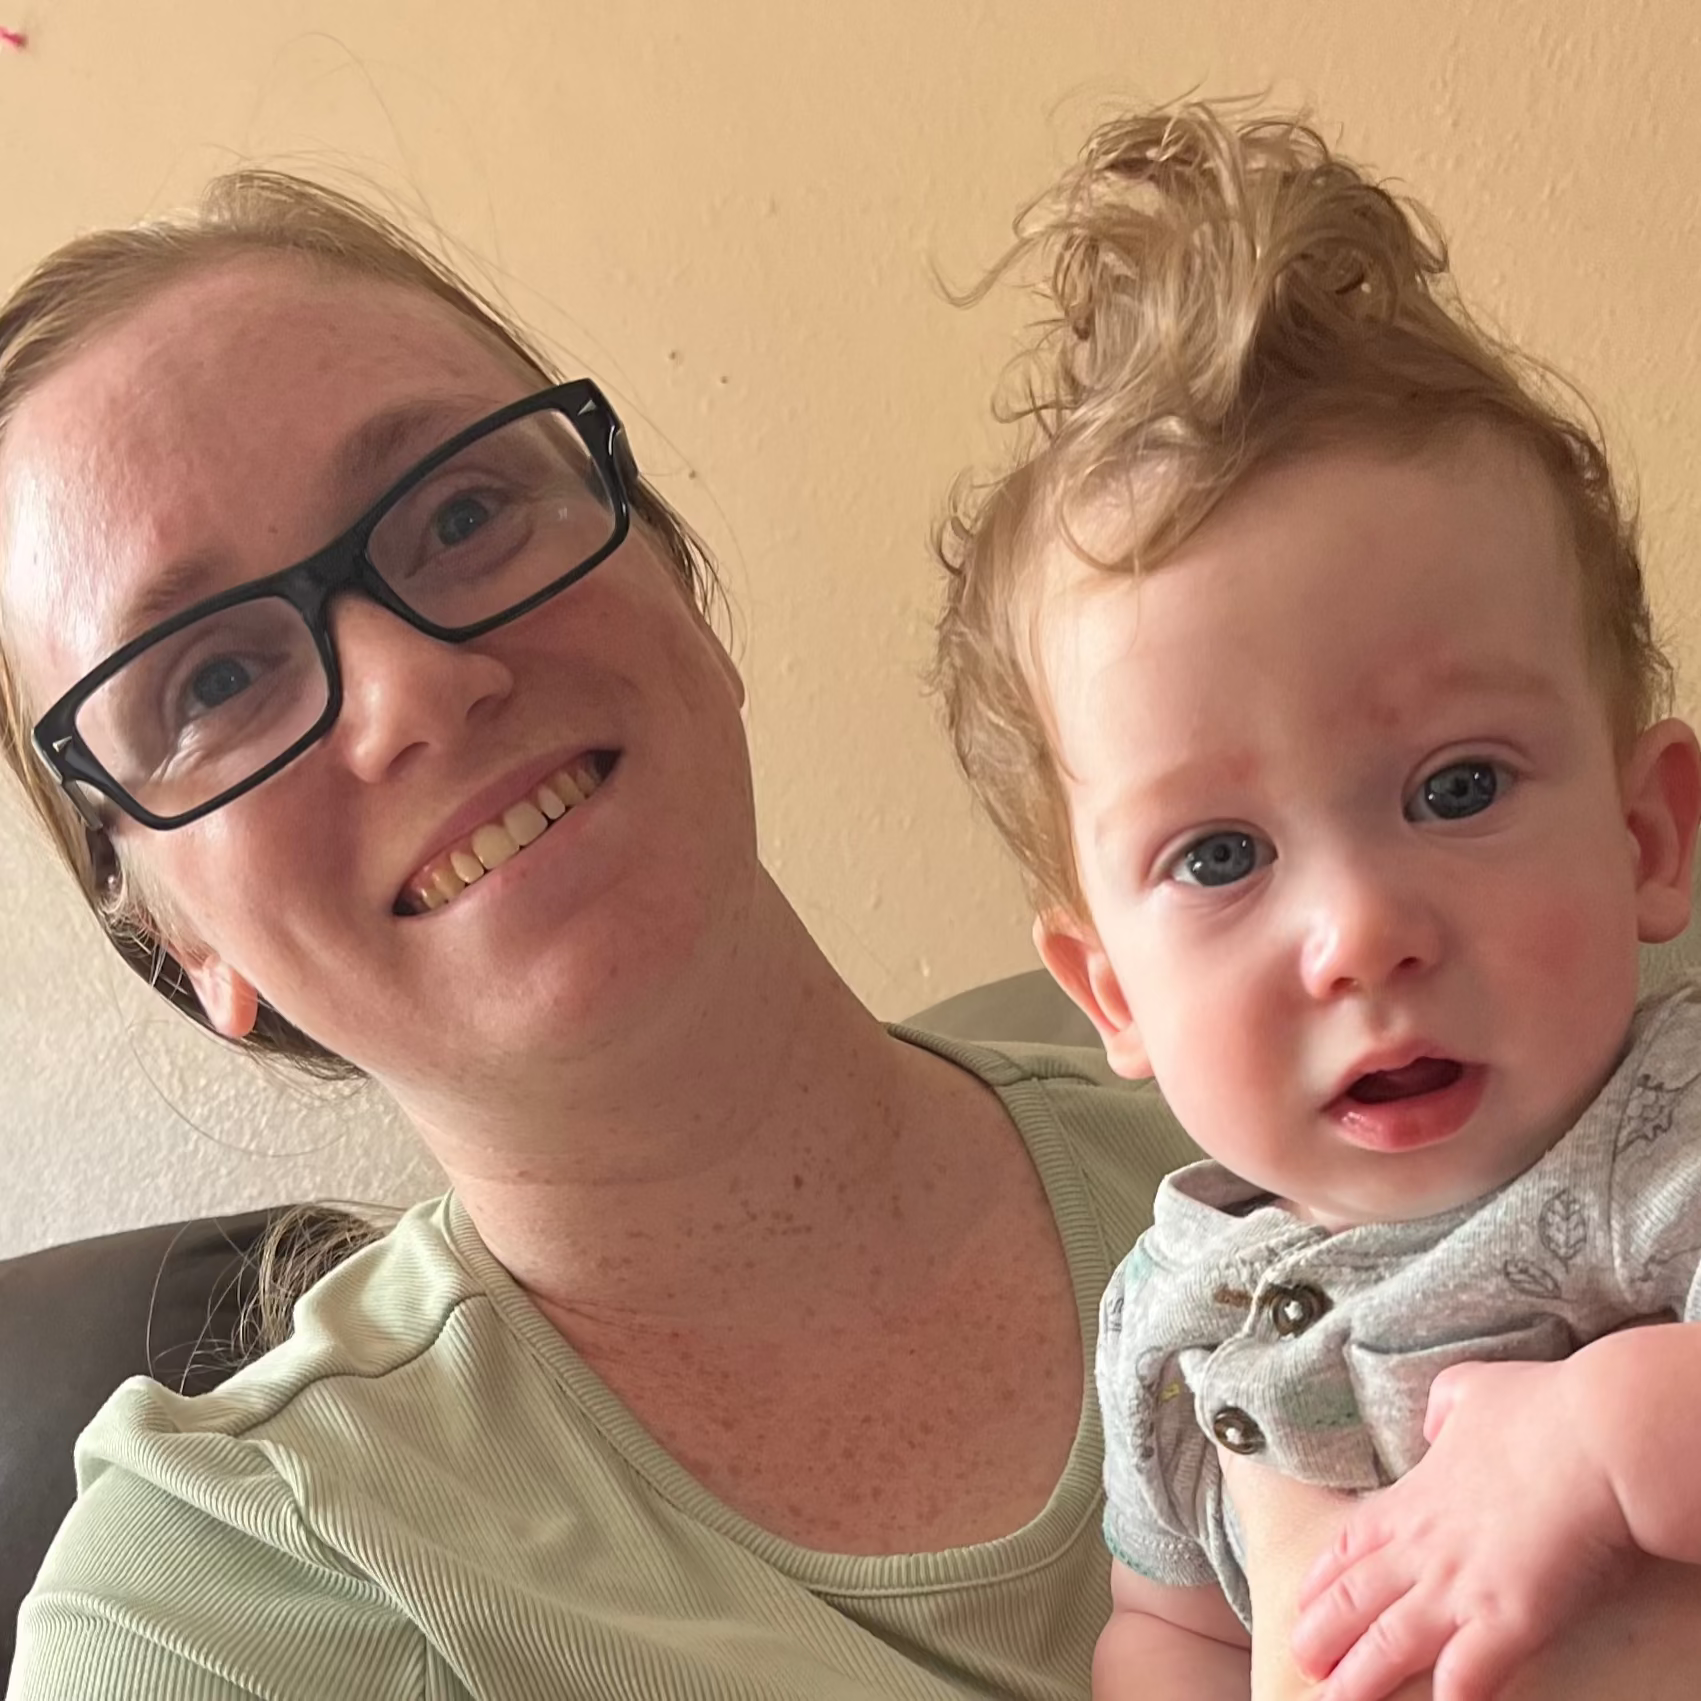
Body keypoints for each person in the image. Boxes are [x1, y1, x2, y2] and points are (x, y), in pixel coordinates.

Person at [0, 173, 1202, 1699]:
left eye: (460, 512)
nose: (415, 693)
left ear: (677, 583)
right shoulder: (214, 1618)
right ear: (186, 945)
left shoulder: (1425, 1100)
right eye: (211, 684)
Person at [933, 101, 1701, 1701]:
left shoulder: (1672, 1140)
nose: (1361, 932)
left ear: (1648, 838)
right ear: (1112, 997)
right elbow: (1172, 1627)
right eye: (1218, 857)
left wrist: (1605, 1442)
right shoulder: (1173, 1310)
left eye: (1459, 790)